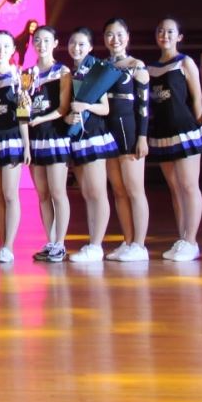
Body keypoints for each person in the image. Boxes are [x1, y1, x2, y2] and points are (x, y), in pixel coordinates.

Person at [146, 18, 202, 262]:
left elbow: (198, 97)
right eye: (161, 31)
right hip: (162, 132)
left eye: (170, 31)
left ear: (179, 37)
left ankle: (191, 240)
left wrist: (197, 123)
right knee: (175, 188)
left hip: (185, 130)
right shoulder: (150, 68)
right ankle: (182, 238)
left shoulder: (185, 62)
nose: (165, 35)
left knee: (189, 185)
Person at [63, 28, 120, 263]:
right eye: (73, 43)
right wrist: (69, 116)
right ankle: (92, 243)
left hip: (94, 135)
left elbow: (104, 108)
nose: (76, 48)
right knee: (86, 193)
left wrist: (85, 106)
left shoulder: (96, 70)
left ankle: (96, 245)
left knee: (97, 192)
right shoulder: (70, 72)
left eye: (81, 44)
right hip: (77, 137)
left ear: (90, 47)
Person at [99, 19, 151, 262]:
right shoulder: (101, 66)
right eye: (110, 35)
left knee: (134, 190)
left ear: (128, 37)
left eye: (119, 34)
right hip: (108, 133)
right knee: (118, 191)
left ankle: (140, 244)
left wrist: (142, 137)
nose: (115, 40)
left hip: (129, 132)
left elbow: (144, 106)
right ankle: (128, 241)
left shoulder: (136, 66)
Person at [0, 31, 31, 263]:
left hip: (12, 140)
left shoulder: (21, 77)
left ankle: (9, 247)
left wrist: (27, 146)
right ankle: (1, 245)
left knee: (10, 195)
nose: (0, 50)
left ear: (13, 49)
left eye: (5, 46)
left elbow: (23, 113)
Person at [25, 26, 73, 263]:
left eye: (46, 40)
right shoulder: (27, 73)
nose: (41, 44)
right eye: (37, 40)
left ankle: (61, 243)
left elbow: (63, 108)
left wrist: (40, 119)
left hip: (55, 137)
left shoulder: (62, 71)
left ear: (55, 43)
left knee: (57, 192)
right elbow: (22, 107)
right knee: (43, 194)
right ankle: (51, 240)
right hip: (35, 140)